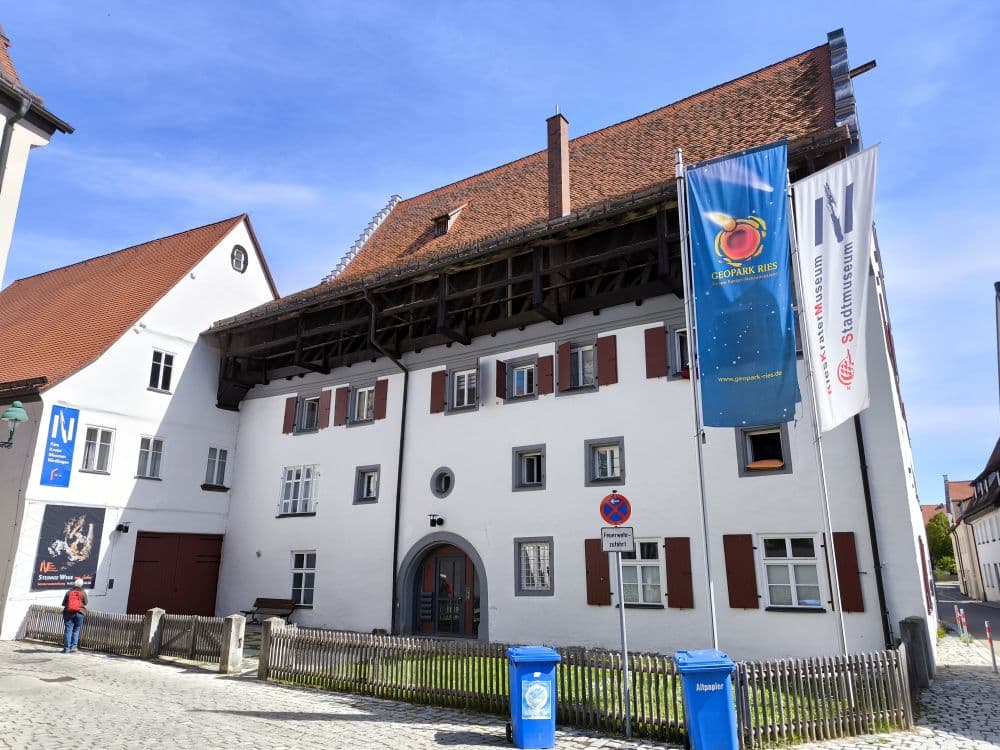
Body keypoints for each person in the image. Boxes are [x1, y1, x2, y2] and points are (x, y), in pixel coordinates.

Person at [61, 577, 87, 653]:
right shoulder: (83, 592)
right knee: (76, 629)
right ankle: (73, 647)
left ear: (74, 584)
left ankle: (66, 649)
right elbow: (86, 602)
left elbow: (63, 603)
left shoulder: (69, 592)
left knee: (68, 630)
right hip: (80, 612)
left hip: (68, 613)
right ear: (81, 585)